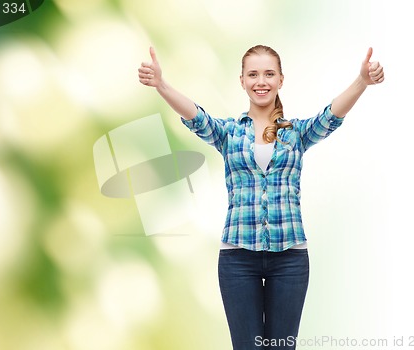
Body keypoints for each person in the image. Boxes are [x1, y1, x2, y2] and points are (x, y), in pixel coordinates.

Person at [138, 44, 384, 350]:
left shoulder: (296, 133)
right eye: (253, 74)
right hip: (238, 259)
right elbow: (196, 117)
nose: (261, 81)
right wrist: (161, 85)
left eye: (269, 74)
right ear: (241, 81)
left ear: (281, 79)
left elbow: (330, 116)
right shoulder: (229, 133)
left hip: (290, 259)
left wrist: (361, 81)